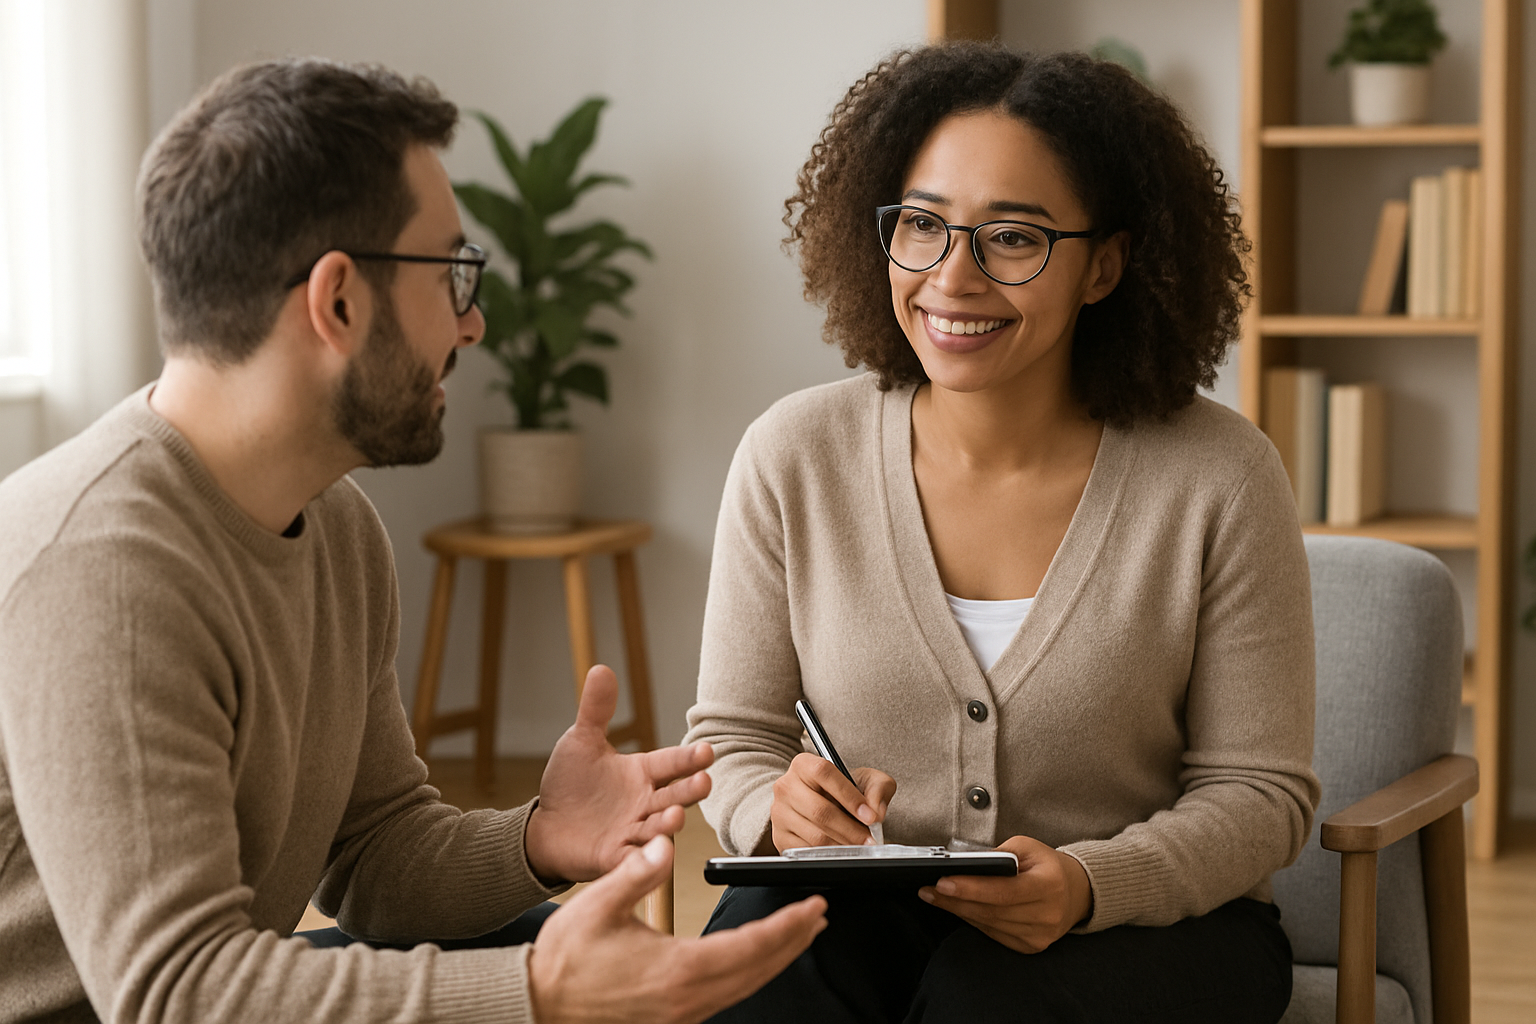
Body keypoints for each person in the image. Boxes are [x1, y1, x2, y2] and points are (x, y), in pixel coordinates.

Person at [0, 58, 826, 1024]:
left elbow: (378, 856)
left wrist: (539, 837)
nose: (472, 324)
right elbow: (176, 993)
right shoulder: (102, 567)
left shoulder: (337, 529)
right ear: (339, 301)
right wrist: (539, 993)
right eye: (452, 272)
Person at [683, 43, 1321, 1023]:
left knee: (990, 1001)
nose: (953, 278)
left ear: (1104, 265)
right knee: (754, 975)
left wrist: (1090, 882)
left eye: (1012, 239)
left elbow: (1258, 795)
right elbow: (734, 739)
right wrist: (773, 808)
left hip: (1155, 929)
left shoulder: (1222, 476)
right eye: (924, 226)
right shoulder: (792, 455)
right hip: (866, 906)